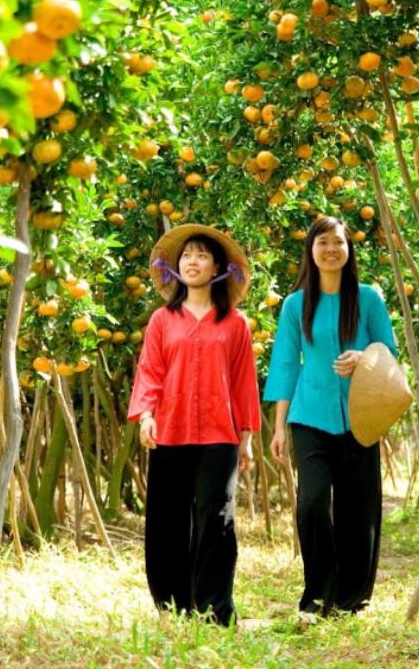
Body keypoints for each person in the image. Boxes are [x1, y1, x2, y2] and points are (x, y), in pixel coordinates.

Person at [265, 215, 398, 620]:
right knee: (312, 502)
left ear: (348, 249)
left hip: (362, 414)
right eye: (322, 242)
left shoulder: (369, 298)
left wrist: (364, 357)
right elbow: (286, 364)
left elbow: (388, 349)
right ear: (310, 250)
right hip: (310, 416)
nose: (330, 249)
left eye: (338, 242)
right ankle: (317, 595)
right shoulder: (295, 304)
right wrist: (279, 427)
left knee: (359, 509)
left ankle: (351, 599)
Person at [127, 224, 260, 626]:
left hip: (219, 435)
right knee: (168, 520)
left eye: (202, 255)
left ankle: (215, 609)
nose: (193, 261)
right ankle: (173, 605)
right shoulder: (161, 321)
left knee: (216, 520)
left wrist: (247, 438)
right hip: (170, 431)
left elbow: (243, 381)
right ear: (176, 267)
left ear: (218, 267)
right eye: (186, 255)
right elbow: (150, 371)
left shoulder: (235, 323)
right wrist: (146, 414)